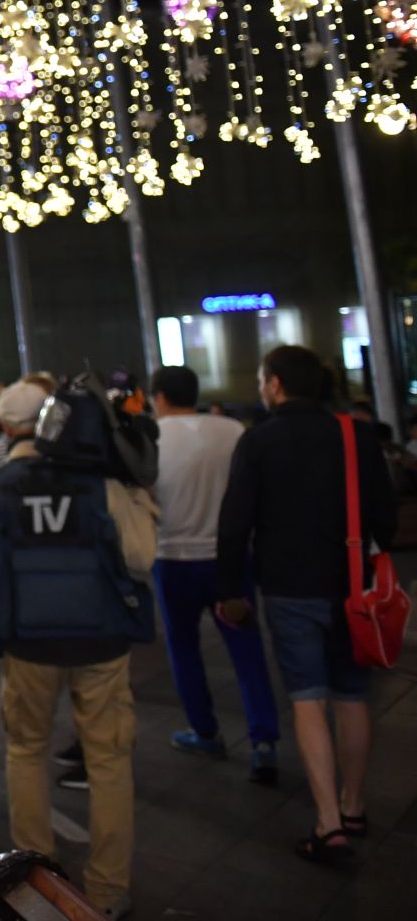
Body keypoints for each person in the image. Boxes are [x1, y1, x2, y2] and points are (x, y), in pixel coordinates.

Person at [0, 381, 157, 920]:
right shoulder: (101, 482)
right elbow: (141, 558)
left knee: (25, 752)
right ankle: (109, 890)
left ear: (3, 426)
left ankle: (35, 877)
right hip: (102, 638)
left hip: (29, 640)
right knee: (109, 760)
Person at [218, 345, 398, 865]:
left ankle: (328, 823)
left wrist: (232, 591)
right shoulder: (355, 434)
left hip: (289, 588)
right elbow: (384, 515)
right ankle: (356, 805)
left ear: (275, 384)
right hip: (352, 588)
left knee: (306, 699)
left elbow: (235, 523)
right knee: (351, 697)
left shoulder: (259, 441)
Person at [147, 365, 279, 783]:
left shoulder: (151, 439)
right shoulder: (231, 430)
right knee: (247, 649)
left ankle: (205, 731)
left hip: (172, 559)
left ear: (159, 397)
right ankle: (263, 741)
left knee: (185, 648)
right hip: (230, 559)